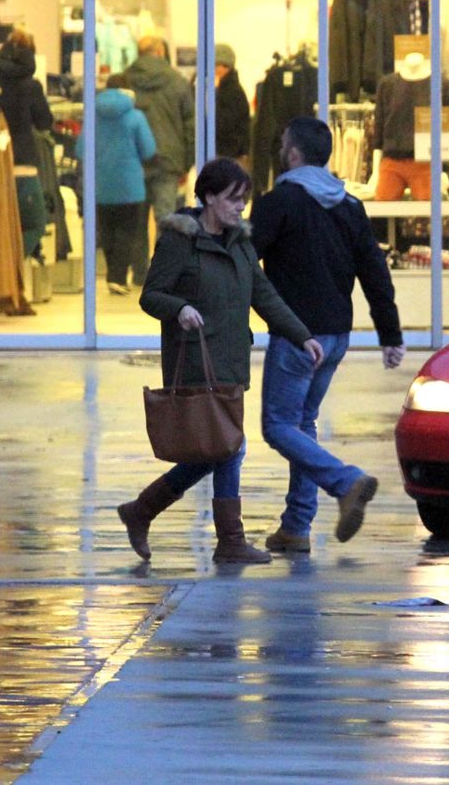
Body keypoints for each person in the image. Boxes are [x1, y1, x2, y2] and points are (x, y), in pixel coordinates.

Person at [117, 157, 324, 565]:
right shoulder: (180, 240)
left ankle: (142, 511)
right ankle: (229, 540)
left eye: (244, 200)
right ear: (209, 196)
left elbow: (264, 296)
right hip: (194, 360)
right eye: (233, 199)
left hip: (230, 360)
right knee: (228, 447)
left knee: (218, 449)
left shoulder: (241, 243)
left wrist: (301, 335)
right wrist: (179, 309)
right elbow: (150, 295)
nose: (240, 207)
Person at [249, 117, 404, 553]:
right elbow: (375, 270)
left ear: (293, 153)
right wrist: (390, 334)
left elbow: (243, 264)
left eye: (282, 143)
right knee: (301, 425)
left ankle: (346, 481)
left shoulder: (278, 202)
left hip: (298, 337)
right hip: (337, 335)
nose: (280, 149)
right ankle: (296, 528)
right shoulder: (349, 205)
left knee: (278, 426)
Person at [85, 74, 156, 294]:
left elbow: (81, 150)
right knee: (127, 230)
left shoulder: (92, 116)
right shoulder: (136, 117)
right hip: (130, 184)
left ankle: (112, 275)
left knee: (106, 230)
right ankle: (118, 276)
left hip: (100, 183)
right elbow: (149, 150)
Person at [0, 29, 52, 257]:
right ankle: (11, 265)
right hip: (23, 164)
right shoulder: (31, 86)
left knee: (0, 227)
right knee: (35, 224)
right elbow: (45, 121)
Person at [124, 35, 195, 222]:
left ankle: (139, 252)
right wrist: (186, 163)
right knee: (166, 219)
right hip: (169, 160)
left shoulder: (125, 80)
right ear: (160, 52)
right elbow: (190, 125)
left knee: (135, 224)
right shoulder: (178, 81)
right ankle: (165, 252)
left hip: (134, 160)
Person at [214, 43, 251, 171]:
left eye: (216, 65)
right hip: (232, 153)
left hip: (230, 154)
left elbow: (226, 122)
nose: (213, 69)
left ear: (225, 66)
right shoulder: (228, 88)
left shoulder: (231, 91)